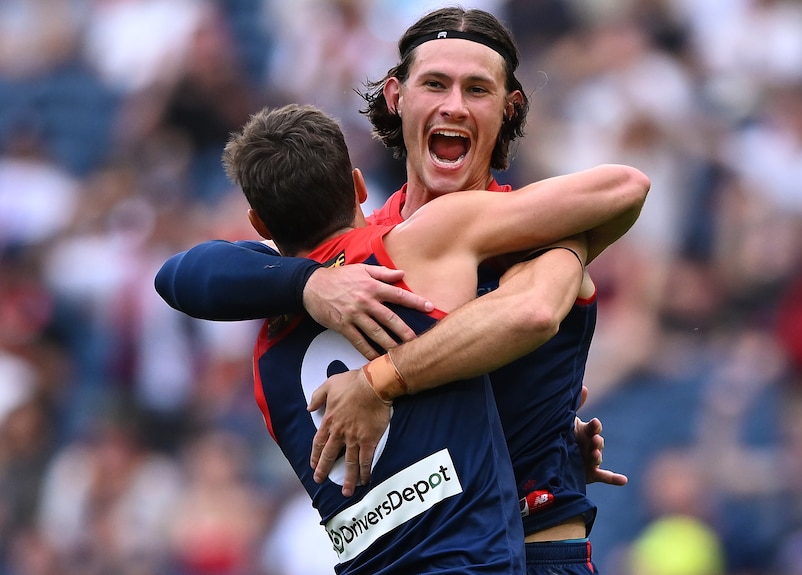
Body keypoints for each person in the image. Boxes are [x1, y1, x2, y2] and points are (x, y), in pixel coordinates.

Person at [155, 7, 648, 574]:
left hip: (533, 552)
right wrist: (309, 283)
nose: (454, 105)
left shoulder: (538, 230)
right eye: (435, 84)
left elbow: (534, 308)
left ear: (508, 108)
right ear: (396, 97)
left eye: (477, 89)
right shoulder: (362, 245)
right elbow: (184, 274)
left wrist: (383, 382)